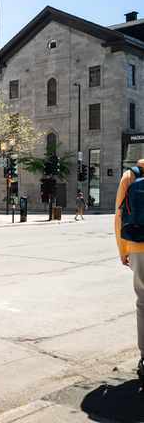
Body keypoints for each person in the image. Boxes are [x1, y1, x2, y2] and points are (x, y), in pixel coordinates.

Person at [114, 158, 144, 384]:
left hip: (138, 245)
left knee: (143, 303)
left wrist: (123, 249)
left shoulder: (130, 175)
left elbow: (119, 215)